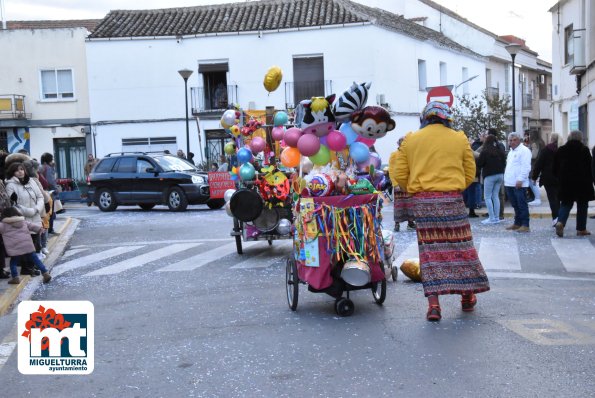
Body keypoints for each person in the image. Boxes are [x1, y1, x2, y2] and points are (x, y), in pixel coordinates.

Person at [393, 101, 490, 322]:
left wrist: (414, 190)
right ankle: (467, 297)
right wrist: (455, 188)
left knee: (430, 253)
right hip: (452, 200)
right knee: (461, 247)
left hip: (423, 202)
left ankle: (434, 306)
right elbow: (470, 170)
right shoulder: (459, 139)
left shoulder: (411, 140)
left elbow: (399, 172)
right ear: (446, 118)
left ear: (426, 118)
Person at [4, 162, 45, 276]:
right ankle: (26, 268)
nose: (20, 172)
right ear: (13, 173)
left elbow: (40, 197)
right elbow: (13, 205)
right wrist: (29, 211)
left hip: (35, 216)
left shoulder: (31, 181)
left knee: (35, 243)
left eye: (22, 169)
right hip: (22, 219)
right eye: (17, 170)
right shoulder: (10, 185)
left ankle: (31, 267)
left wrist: (37, 209)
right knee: (25, 245)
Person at [552, 130, 594, 237]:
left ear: (569, 137)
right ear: (580, 138)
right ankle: (581, 229)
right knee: (582, 206)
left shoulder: (561, 150)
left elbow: (555, 168)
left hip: (566, 183)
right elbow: (590, 167)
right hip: (582, 183)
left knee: (566, 204)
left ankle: (560, 222)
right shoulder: (584, 150)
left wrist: (559, 178)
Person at [0, 206, 51, 284]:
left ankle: (15, 277)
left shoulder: (3, 225)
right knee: (35, 259)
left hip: (14, 248)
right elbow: (32, 226)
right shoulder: (23, 221)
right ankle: (45, 273)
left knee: (13, 262)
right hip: (27, 245)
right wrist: (40, 229)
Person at [503, 132, 532, 233]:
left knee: (522, 204)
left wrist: (520, 179)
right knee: (515, 204)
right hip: (509, 182)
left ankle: (525, 224)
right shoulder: (511, 152)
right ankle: (517, 223)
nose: (512, 142)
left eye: (514, 140)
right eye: (510, 140)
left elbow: (526, 167)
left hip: (519, 183)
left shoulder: (524, 151)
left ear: (519, 140)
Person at [531, 133, 560, 226]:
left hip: (548, 177)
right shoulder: (562, 149)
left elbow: (539, 164)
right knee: (558, 199)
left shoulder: (546, 150)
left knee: (552, 199)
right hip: (560, 177)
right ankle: (560, 218)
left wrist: (534, 177)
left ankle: (556, 218)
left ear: (551, 139)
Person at [477, 134, 506, 224]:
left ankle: (491, 218)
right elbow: (504, 162)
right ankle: (497, 217)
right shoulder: (500, 151)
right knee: (495, 196)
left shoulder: (485, 151)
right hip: (500, 175)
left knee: (487, 197)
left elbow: (479, 163)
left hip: (489, 175)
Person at [388, 137, 416, 232]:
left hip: (408, 185)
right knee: (399, 206)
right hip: (398, 185)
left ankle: (410, 223)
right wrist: (395, 184)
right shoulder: (394, 155)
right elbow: (391, 170)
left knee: (410, 205)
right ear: (399, 144)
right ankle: (397, 224)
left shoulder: (410, 155)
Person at [527, 130, 545, 206]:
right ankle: (536, 198)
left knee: (531, 181)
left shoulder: (534, 144)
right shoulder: (541, 142)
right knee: (532, 181)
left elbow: (533, 155)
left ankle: (537, 198)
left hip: (533, 164)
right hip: (539, 163)